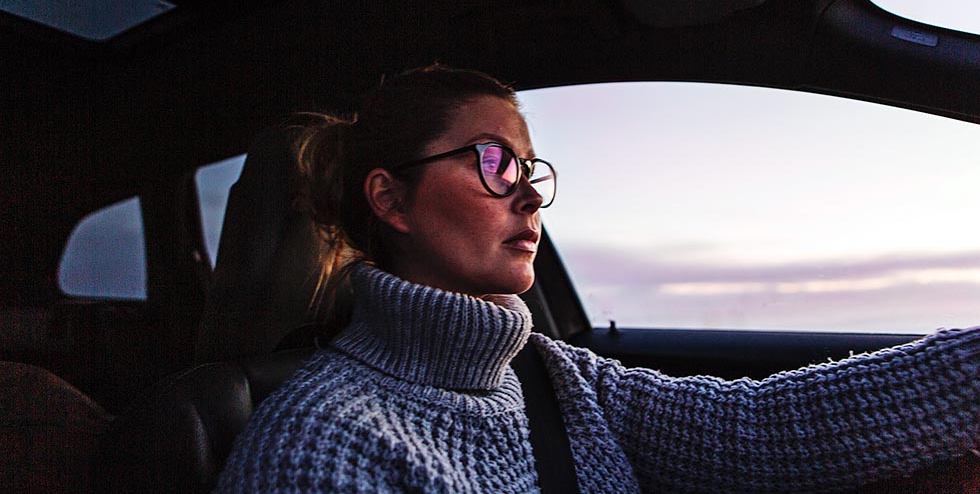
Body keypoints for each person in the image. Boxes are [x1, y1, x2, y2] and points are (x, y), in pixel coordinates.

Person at [216, 65, 980, 493]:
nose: (529, 194)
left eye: (530, 167)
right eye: (494, 161)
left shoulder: (556, 376)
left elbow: (758, 429)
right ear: (391, 200)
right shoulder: (322, 444)